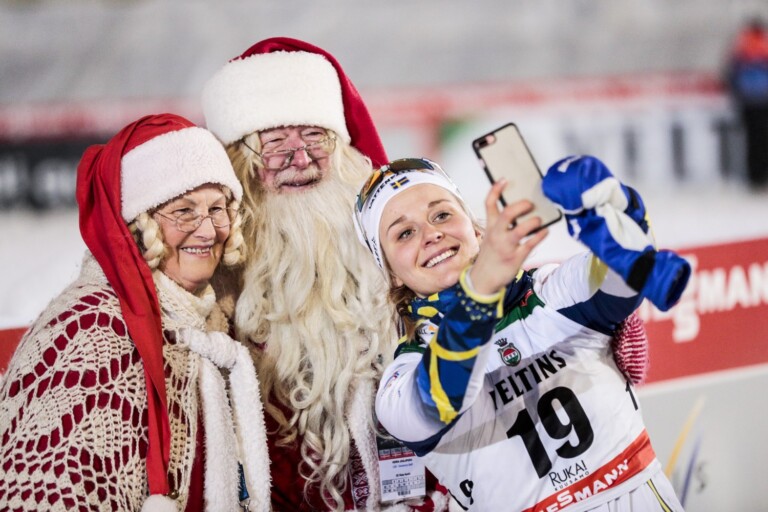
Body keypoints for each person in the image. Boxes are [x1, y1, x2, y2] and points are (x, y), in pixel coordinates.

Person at [354, 156, 691, 511]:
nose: (432, 234)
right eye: (405, 233)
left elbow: (626, 276)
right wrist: (481, 290)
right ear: (391, 273)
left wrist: (617, 207)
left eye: (441, 215)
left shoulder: (548, 292)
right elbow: (440, 394)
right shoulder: (402, 378)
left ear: (476, 229)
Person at [202, 37, 452, 511]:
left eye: (315, 137)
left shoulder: (405, 246)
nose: (301, 159)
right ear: (240, 164)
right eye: (274, 143)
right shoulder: (216, 288)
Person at [0, 114, 271, 511]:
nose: (208, 230)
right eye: (184, 211)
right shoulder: (91, 329)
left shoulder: (212, 321)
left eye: (217, 208)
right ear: (139, 224)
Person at [726, 17, 768, 188]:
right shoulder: (765, 45)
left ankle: (754, 177)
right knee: (763, 139)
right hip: (764, 100)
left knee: (751, 140)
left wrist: (737, 94)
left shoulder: (742, 46)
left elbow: (731, 74)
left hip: (748, 101)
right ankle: (762, 175)